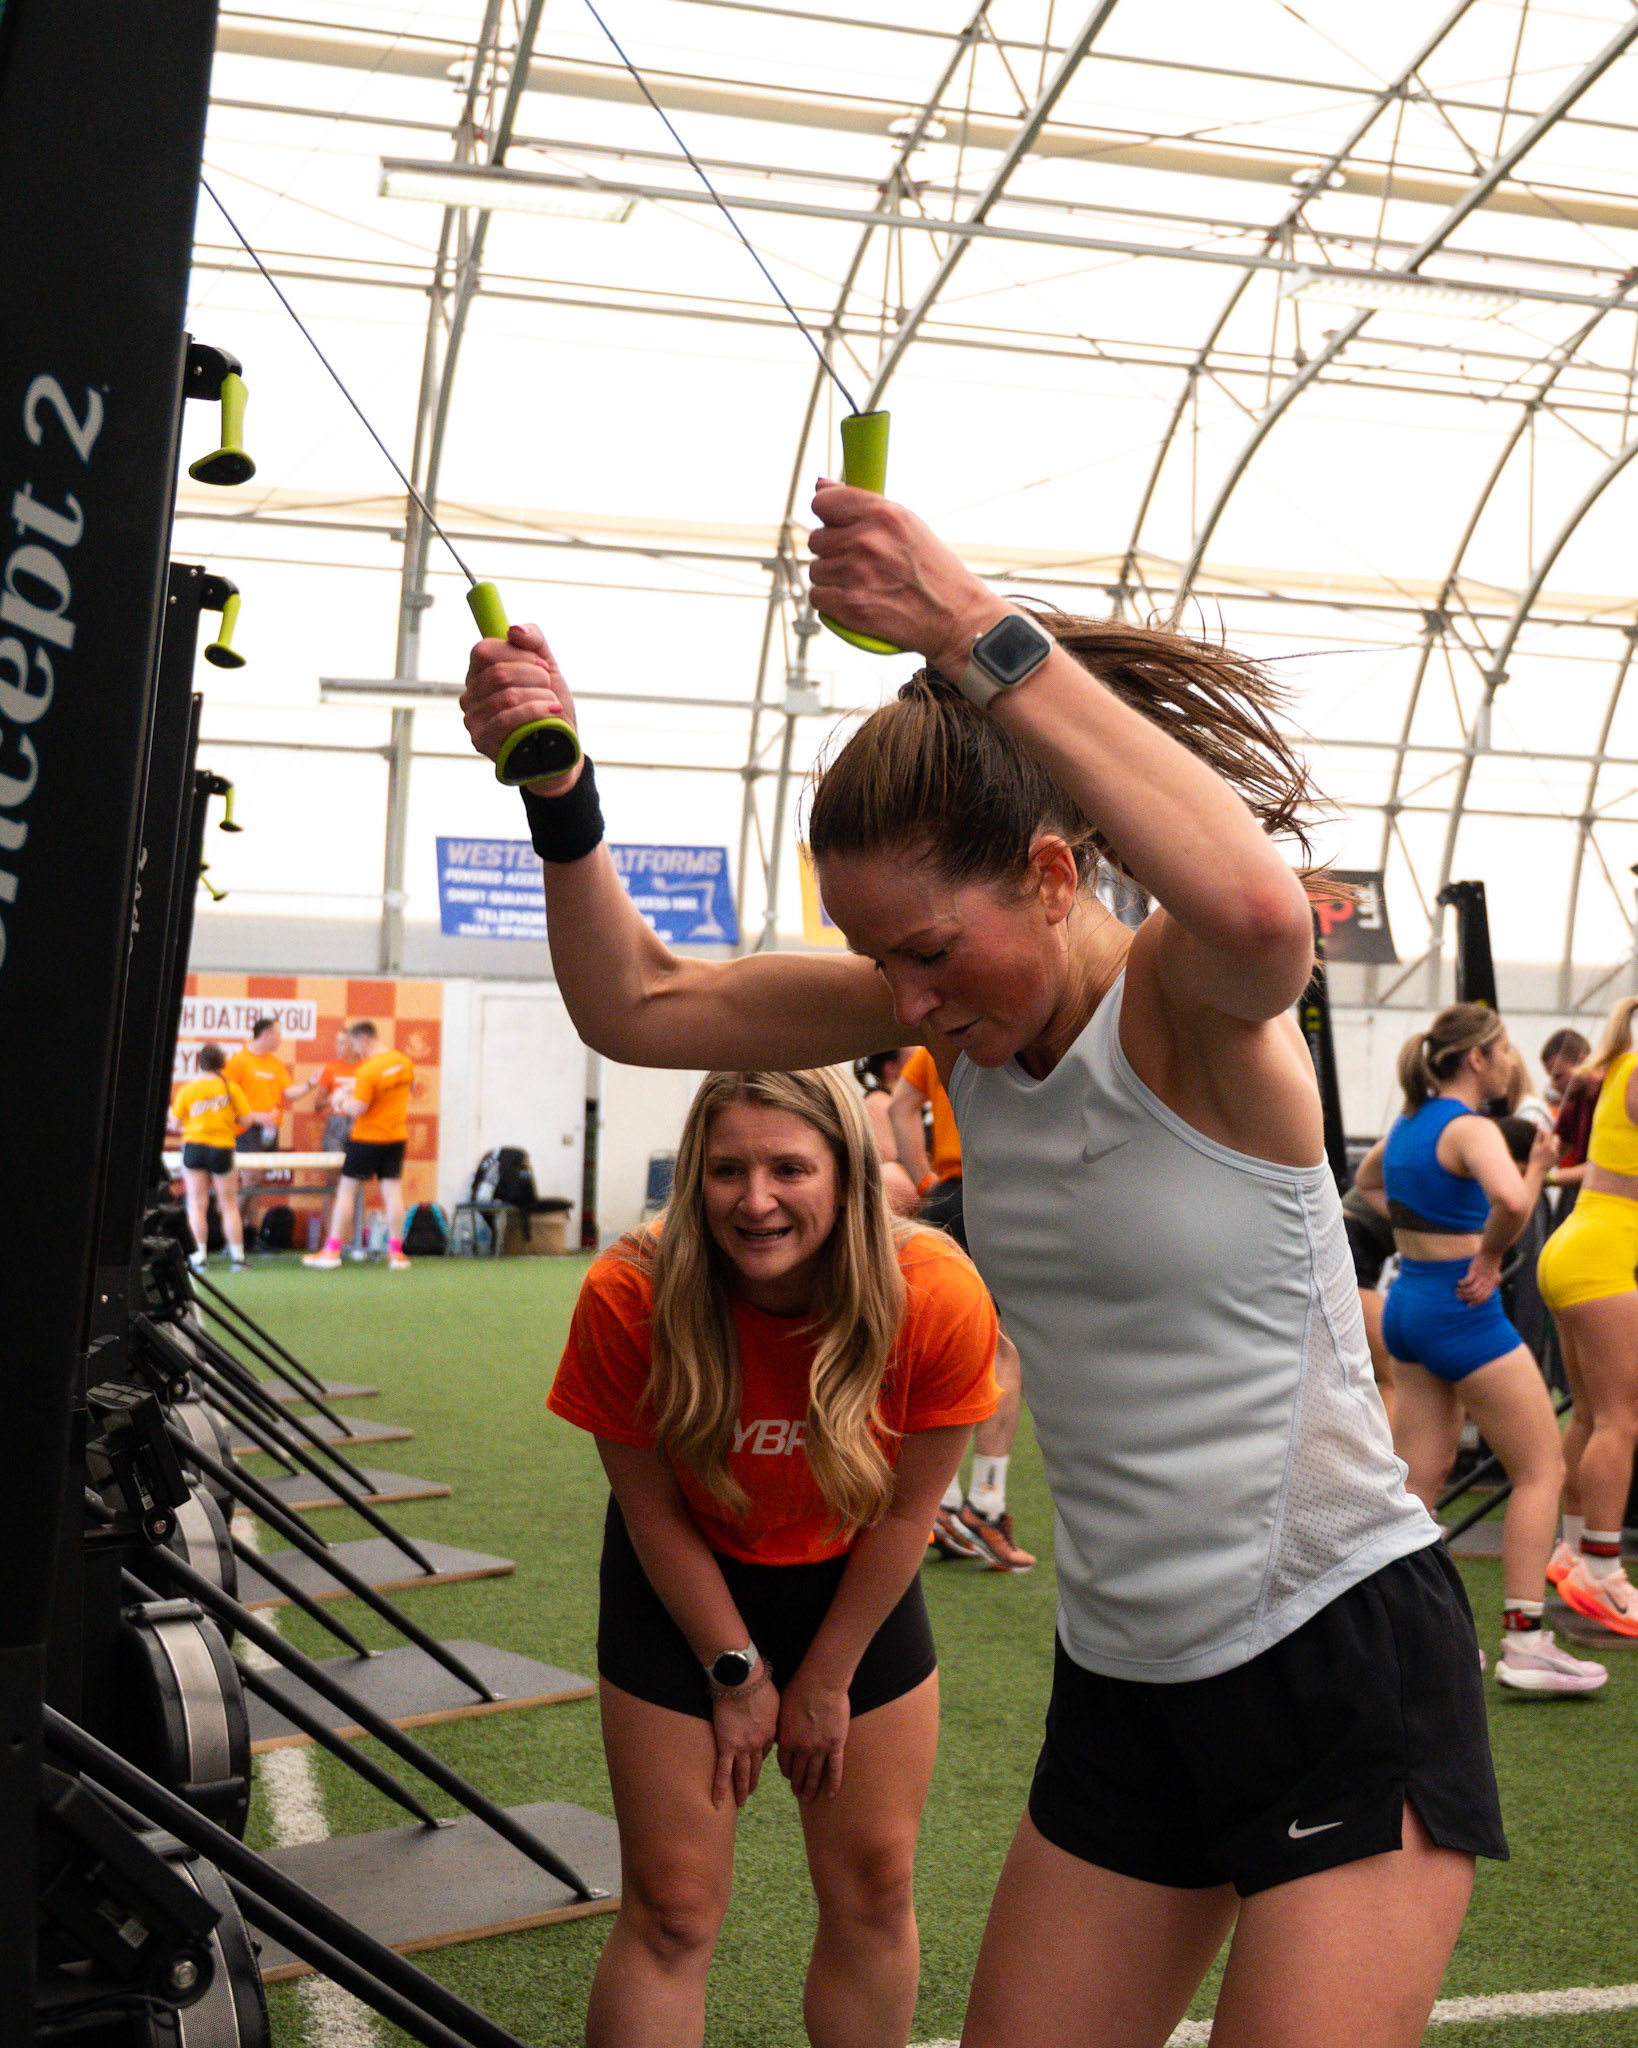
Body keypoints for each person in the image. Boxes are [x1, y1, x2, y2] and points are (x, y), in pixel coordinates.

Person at [461, 475, 1513, 2048]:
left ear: (1048, 873)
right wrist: (558, 789)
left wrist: (961, 621)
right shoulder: (951, 1015)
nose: (903, 1001)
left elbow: (1254, 910)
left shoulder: (1184, 1004)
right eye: (874, 956)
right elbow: (638, 1006)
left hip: (1334, 1658)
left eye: (928, 950)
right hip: (1124, 1679)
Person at [548, 1067, 999, 2048]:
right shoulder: (629, 1292)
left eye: (790, 1168)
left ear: (845, 1173)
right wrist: (737, 1672)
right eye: (728, 1170)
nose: (756, 1201)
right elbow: (652, 1510)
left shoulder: (934, 1290)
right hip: (685, 1583)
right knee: (672, 1909)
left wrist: (826, 1679)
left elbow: (906, 1512)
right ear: (694, 1178)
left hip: (855, 1582)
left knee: (874, 1892)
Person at [1355, 1007, 1604, 1697]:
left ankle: (1398, 1639)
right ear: (1477, 1058)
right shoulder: (1470, 1128)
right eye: (1504, 1051)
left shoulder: (1409, 1123)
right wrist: (1491, 1250)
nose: (1510, 1062)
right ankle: (1525, 1644)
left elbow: (1370, 1183)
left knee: (1416, 1485)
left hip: (1408, 1306)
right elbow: (1511, 1201)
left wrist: (1423, 1233)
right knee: (1542, 1470)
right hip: (1461, 1310)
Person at [890, 1048, 1034, 1570]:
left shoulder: (935, 1045)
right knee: (1004, 1351)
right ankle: (984, 1505)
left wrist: (926, 1181)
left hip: (947, 1197)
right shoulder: (1012, 1036)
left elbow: (900, 1106)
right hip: (995, 1195)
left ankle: (943, 1501)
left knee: (942, 1344)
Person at [1536, 996, 1638, 1637]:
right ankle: (1602, 1570)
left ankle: (1573, 1552)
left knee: (1593, 1415)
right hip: (1601, 1254)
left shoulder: (1622, 1066)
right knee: (1621, 1420)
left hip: (1578, 1246)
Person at [302, 1021, 415, 1272]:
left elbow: (358, 1108)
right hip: (396, 1136)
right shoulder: (403, 1062)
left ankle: (332, 1250)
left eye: (354, 1043)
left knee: (346, 1192)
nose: (355, 1050)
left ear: (363, 1039)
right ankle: (396, 1253)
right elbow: (398, 1089)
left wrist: (341, 1100)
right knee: (393, 1194)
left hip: (367, 1138)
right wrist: (357, 1090)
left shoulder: (368, 1070)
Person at [168, 1042, 251, 1272]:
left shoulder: (188, 1089)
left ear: (200, 1063)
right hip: (222, 1148)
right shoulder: (230, 1088)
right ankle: (238, 1258)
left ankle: (199, 1258)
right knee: (229, 1205)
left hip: (194, 1146)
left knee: (196, 1204)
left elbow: (175, 1123)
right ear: (222, 1063)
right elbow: (246, 1119)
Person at [222, 1015, 305, 1154]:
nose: (280, 1040)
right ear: (266, 1035)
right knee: (251, 1167)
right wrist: (254, 1116)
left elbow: (290, 1092)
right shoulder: (237, 1060)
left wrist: (310, 1084)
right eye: (278, 1035)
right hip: (247, 1129)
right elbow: (225, 1097)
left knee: (268, 1166)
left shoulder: (276, 1063)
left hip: (270, 1128)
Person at [852, 1050, 920, 1216]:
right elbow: (889, 1157)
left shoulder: (908, 1107)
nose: (923, 1064)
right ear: (891, 1068)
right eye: (915, 1059)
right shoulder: (880, 1102)